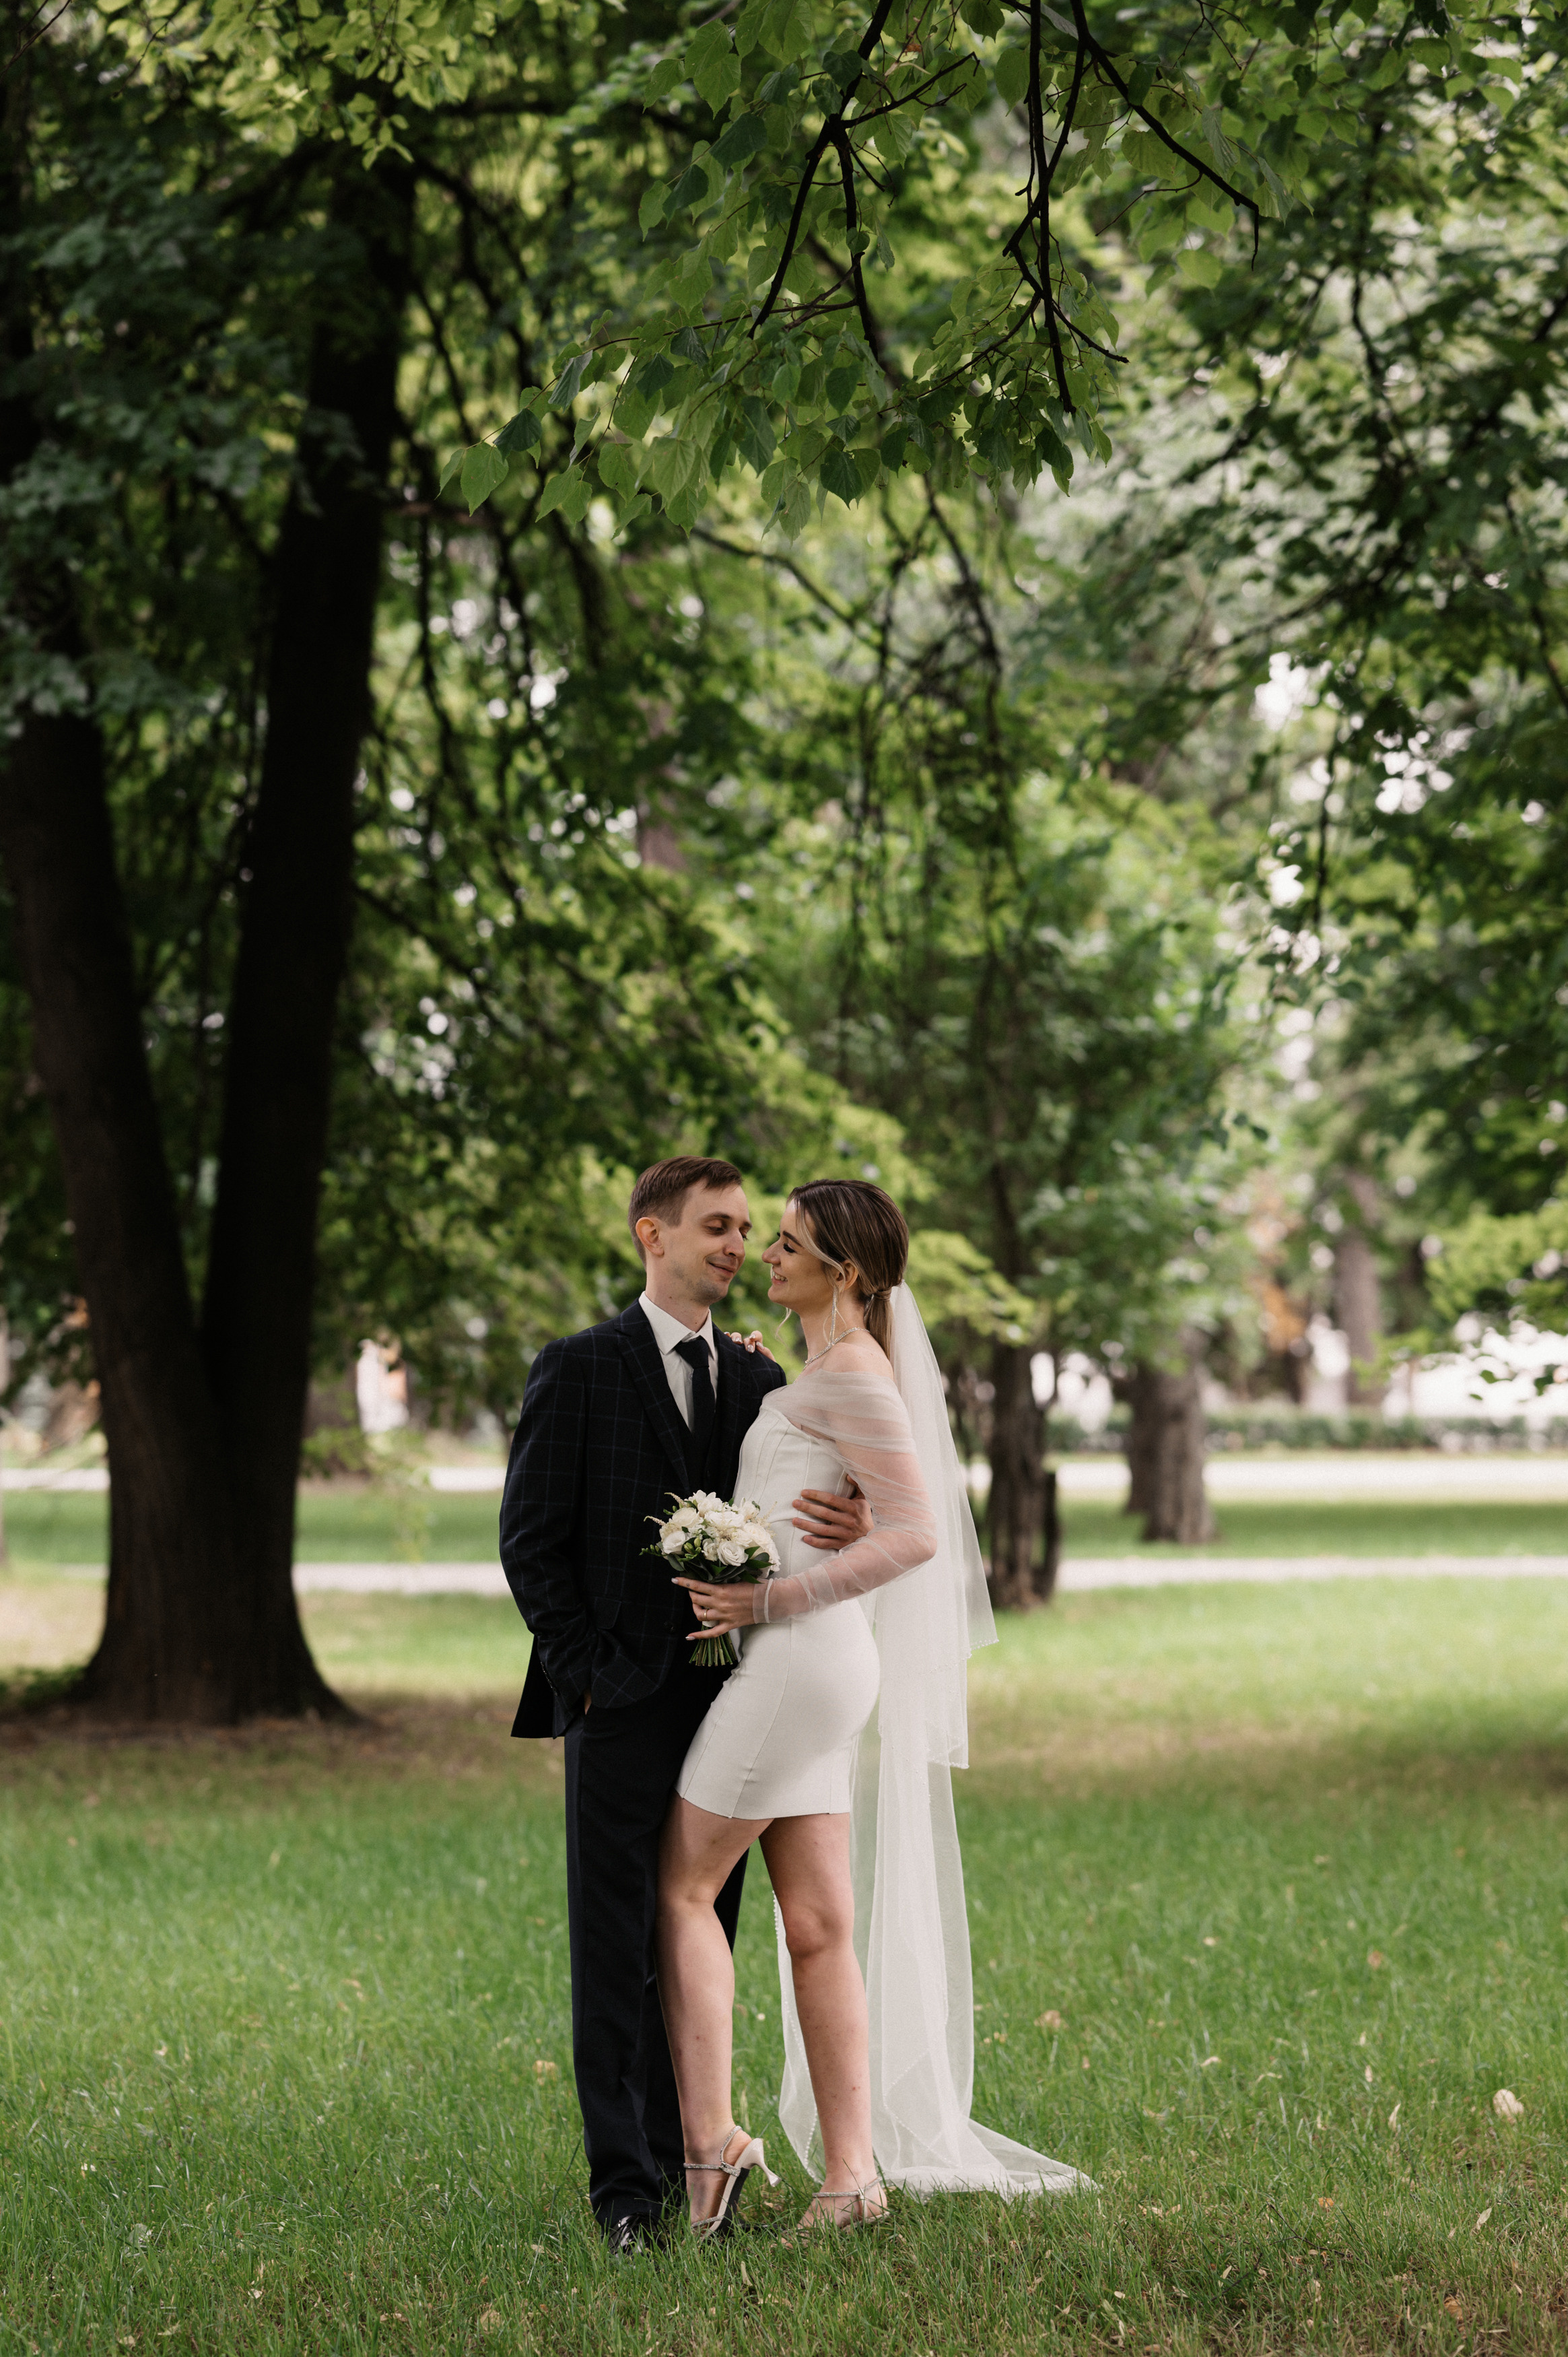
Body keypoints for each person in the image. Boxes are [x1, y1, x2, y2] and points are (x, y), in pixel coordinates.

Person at [656, 1178, 1088, 2238]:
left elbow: (917, 1534)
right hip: (819, 1662)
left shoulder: (856, 1376)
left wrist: (769, 1597)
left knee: (680, 1886)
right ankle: (850, 2179)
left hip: (799, 1659)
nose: (766, 1252)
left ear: (843, 1273)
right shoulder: (828, 1369)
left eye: (789, 1243)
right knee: (816, 1925)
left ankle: (709, 2148)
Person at [499, 1156, 873, 2254]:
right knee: (617, 1944)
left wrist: (852, 1522)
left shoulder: (764, 1382)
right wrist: (591, 1675)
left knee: (701, 1929)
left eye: (748, 1228)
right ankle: (628, 2194)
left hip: (737, 1695)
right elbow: (530, 1546)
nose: (737, 1245)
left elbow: (824, 1495)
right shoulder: (577, 1369)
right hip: (620, 1701)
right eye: (715, 1226)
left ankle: (696, 2154)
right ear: (647, 1237)